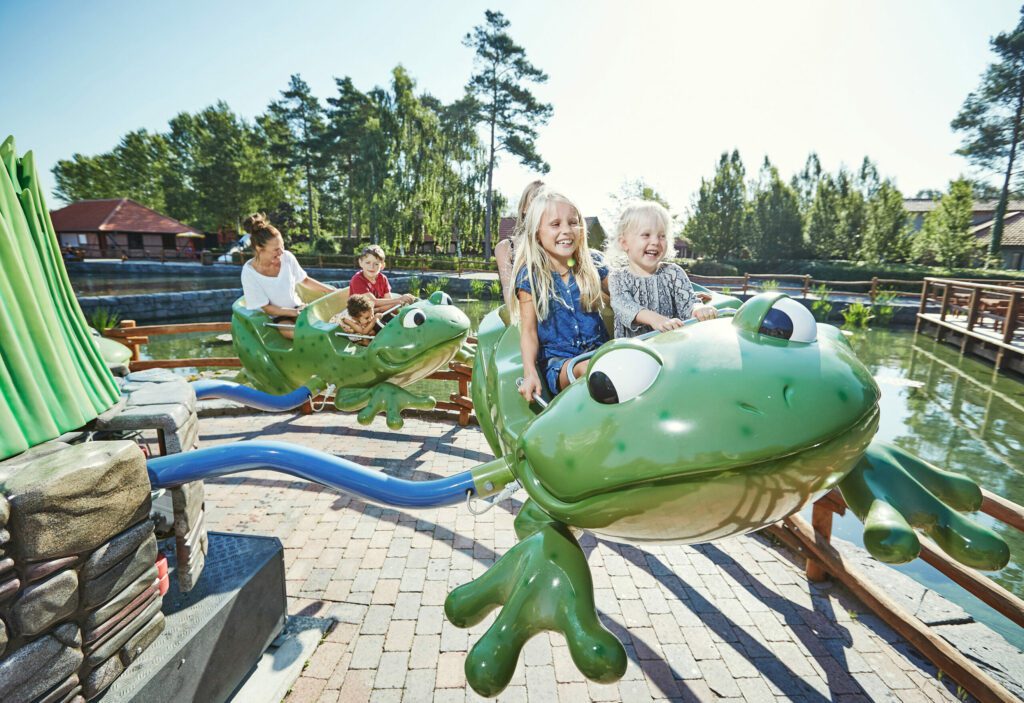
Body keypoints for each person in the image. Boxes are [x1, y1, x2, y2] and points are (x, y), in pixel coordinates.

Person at [512, 188, 609, 402]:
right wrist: (530, 372)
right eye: (555, 224)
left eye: (573, 222)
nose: (566, 230)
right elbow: (528, 332)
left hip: (601, 351)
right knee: (591, 370)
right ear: (537, 233)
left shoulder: (593, 264)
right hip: (561, 363)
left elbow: (625, 295)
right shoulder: (530, 276)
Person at [607, 201, 717, 339]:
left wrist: (698, 309)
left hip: (670, 345)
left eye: (662, 236)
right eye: (646, 235)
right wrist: (655, 319)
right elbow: (623, 305)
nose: (655, 242)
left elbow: (688, 301)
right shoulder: (618, 277)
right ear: (624, 243)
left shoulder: (673, 273)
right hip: (634, 351)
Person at [240, 213, 335, 340]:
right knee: (296, 333)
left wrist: (332, 291)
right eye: (276, 249)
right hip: (277, 317)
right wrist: (293, 313)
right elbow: (267, 308)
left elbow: (305, 280)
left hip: (298, 307)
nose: (282, 252)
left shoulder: (287, 257)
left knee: (325, 327)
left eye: (282, 246)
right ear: (258, 248)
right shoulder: (249, 272)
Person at [496, 179, 545, 306]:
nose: (540, 203)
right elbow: (508, 290)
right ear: (524, 208)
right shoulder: (505, 248)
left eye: (545, 199)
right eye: (535, 198)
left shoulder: (558, 245)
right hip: (523, 317)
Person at [349, 245, 415, 314]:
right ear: (360, 262)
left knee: (401, 307)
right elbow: (373, 302)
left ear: (382, 266)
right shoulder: (357, 280)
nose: (371, 267)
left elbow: (388, 301)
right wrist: (399, 300)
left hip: (377, 312)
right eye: (367, 263)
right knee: (397, 304)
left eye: (376, 264)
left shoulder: (383, 278)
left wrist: (401, 301)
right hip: (360, 316)